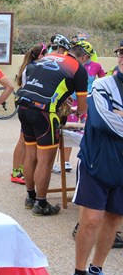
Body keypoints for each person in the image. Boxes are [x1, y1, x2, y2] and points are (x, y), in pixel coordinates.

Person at [69, 44, 123, 275]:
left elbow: (116, 121)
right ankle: (78, 273)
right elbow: (103, 120)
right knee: (91, 220)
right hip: (96, 163)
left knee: (113, 220)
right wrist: (115, 115)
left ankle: (96, 270)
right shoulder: (102, 85)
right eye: (122, 53)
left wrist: (119, 113)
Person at [17, 34, 89, 216]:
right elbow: (82, 108)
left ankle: (30, 197)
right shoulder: (79, 69)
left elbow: (45, 82)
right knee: (45, 159)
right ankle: (41, 204)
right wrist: (74, 111)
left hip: (24, 105)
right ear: (84, 57)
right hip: (44, 112)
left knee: (30, 153)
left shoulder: (48, 57)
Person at [54, 40, 105, 174]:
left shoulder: (96, 66)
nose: (88, 58)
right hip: (71, 100)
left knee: (84, 132)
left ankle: (87, 161)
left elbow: (102, 80)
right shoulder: (70, 64)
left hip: (86, 100)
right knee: (68, 131)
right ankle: (65, 161)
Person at [10, 43, 47, 184]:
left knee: (26, 141)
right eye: (46, 53)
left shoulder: (31, 65)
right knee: (23, 141)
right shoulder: (33, 67)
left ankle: (20, 169)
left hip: (27, 105)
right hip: (29, 106)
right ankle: (16, 171)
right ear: (40, 55)